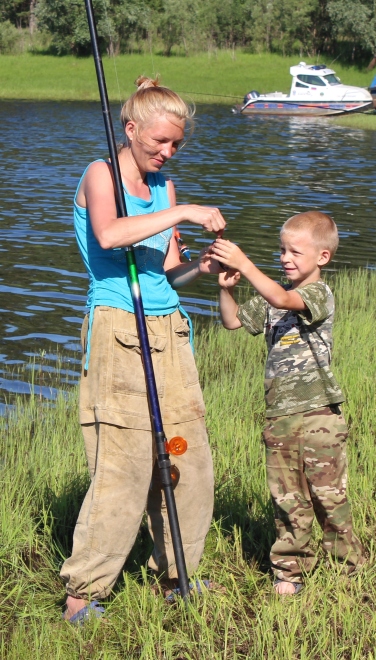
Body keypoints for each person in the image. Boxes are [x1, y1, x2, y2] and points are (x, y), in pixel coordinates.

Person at [60, 76, 226, 622]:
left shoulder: (165, 187)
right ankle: (84, 592)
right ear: (129, 129)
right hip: (118, 328)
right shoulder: (100, 174)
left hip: (169, 331)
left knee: (186, 456)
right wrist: (182, 213)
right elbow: (110, 236)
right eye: (159, 141)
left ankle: (178, 572)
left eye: (176, 144)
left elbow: (167, 272)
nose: (167, 152)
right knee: (125, 466)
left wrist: (201, 268)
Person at [210, 211, 364, 595]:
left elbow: (282, 297)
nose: (284, 258)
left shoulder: (317, 294)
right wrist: (226, 289)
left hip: (319, 416)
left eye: (295, 251)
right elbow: (232, 323)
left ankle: (349, 567)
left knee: (329, 496)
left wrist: (245, 264)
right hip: (279, 415)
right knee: (287, 498)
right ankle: (289, 571)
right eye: (281, 250)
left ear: (322, 258)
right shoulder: (272, 299)